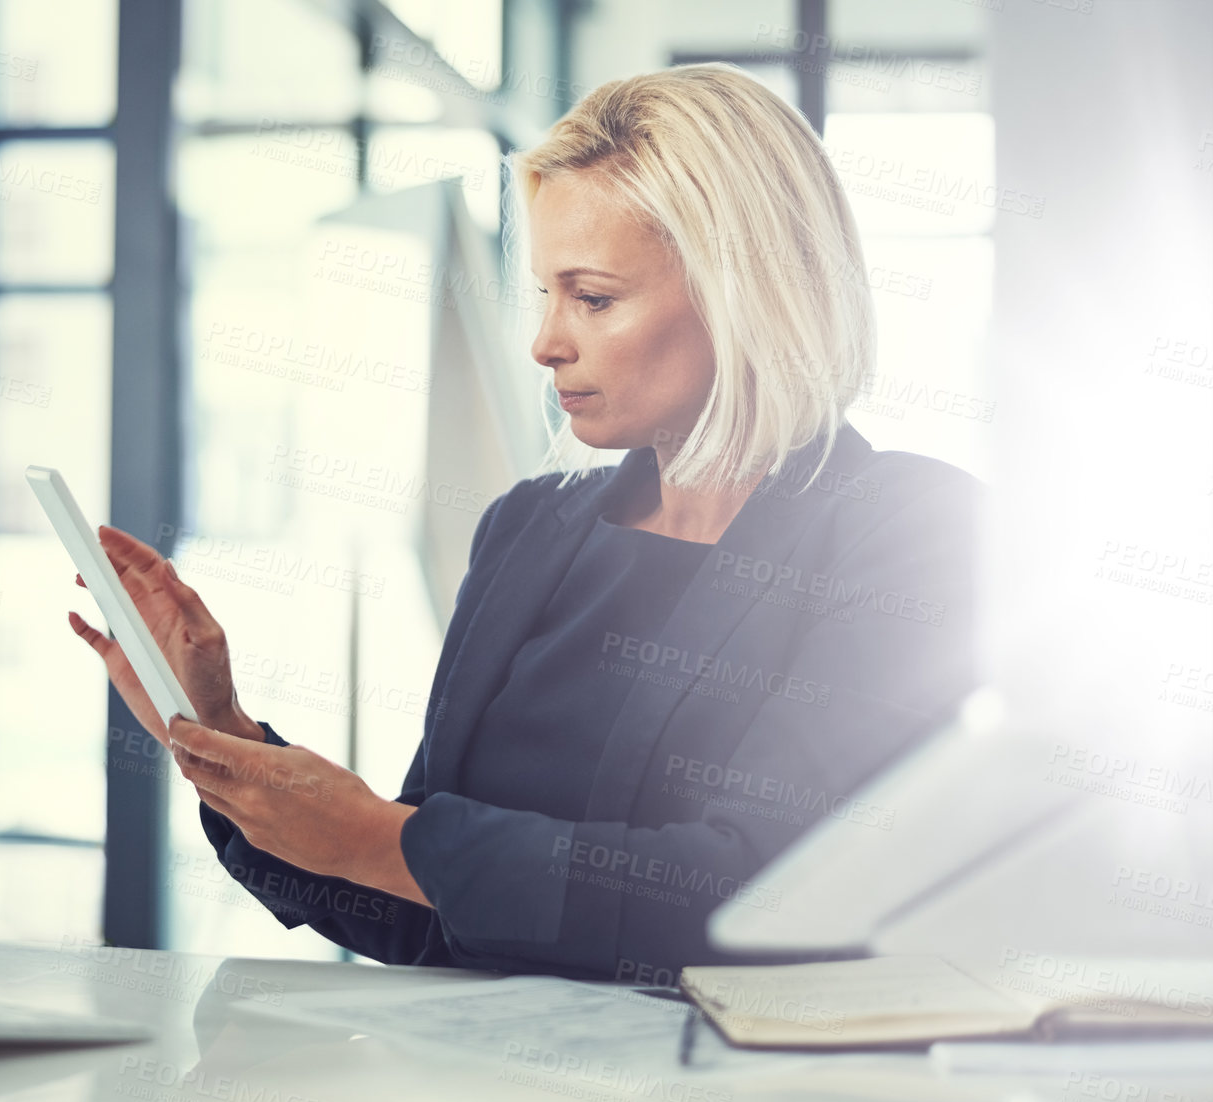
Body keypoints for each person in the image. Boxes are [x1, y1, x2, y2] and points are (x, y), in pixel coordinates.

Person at [68, 63, 979, 980]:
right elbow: (424, 920)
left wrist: (385, 839)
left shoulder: (908, 531)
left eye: (592, 298)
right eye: (544, 293)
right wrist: (219, 728)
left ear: (745, 295)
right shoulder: (529, 531)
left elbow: (761, 894)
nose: (545, 342)